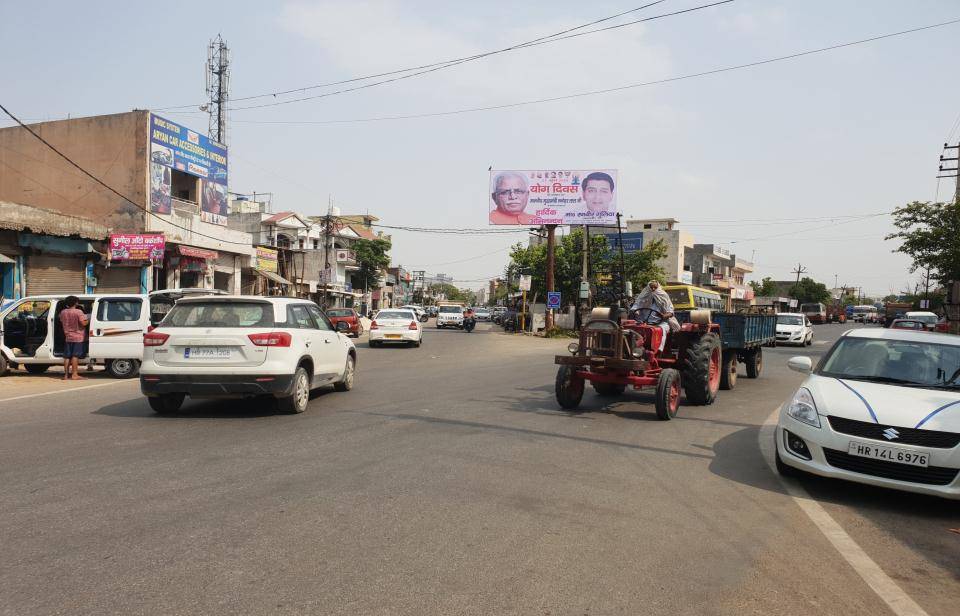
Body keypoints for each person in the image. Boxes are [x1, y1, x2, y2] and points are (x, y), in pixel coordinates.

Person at [630, 281, 680, 352]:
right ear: (648, 287)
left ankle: (658, 350)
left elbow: (671, 311)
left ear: (658, 287)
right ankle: (633, 347)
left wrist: (665, 315)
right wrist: (635, 311)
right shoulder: (643, 295)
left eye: (655, 287)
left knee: (662, 328)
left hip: (660, 322)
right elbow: (636, 305)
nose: (653, 289)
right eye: (651, 287)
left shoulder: (664, 296)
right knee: (632, 328)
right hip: (642, 322)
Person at [58, 296, 88, 380]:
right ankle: (75, 375)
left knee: (67, 356)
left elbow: (61, 320)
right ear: (76, 303)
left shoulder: (63, 312)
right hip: (78, 337)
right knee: (75, 356)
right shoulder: (79, 312)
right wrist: (88, 319)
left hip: (68, 337)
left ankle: (66, 375)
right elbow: (83, 323)